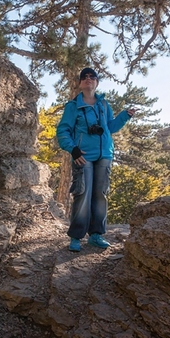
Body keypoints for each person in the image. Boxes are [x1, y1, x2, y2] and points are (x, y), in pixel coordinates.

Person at [56, 67, 135, 252]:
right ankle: (76, 237)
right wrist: (73, 149)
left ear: (97, 82)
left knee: (100, 194)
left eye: (92, 76)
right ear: (80, 83)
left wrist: (125, 116)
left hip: (105, 155)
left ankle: (96, 235)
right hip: (83, 156)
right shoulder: (73, 106)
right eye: (84, 77)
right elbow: (63, 131)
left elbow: (110, 127)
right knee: (82, 193)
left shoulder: (104, 105)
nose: (88, 79)